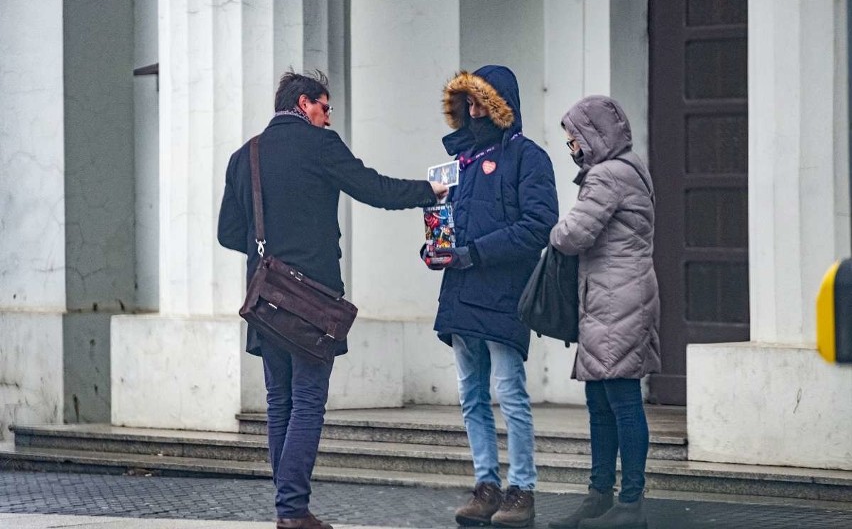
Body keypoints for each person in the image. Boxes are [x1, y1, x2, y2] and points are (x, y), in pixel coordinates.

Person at [217, 70, 448, 529]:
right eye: (325, 107)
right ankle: (292, 510)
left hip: (265, 299)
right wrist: (429, 192)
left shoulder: (247, 155)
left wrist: (271, 248)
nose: (328, 117)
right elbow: (374, 189)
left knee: (279, 400)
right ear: (304, 104)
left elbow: (228, 232)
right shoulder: (320, 145)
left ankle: (287, 507)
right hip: (314, 299)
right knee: (306, 400)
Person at [423, 65, 558, 528]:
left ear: (501, 105)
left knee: (510, 392)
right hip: (460, 292)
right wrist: (435, 247)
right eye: (469, 103)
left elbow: (538, 225)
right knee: (472, 396)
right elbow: (445, 221)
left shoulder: (528, 158)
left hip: (502, 293)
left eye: (481, 102)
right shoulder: (456, 162)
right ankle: (486, 485)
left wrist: (475, 253)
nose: (473, 111)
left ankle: (522, 487)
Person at [547, 96, 660, 529]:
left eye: (574, 138)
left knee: (621, 400)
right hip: (616, 295)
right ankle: (599, 497)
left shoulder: (607, 175)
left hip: (617, 298)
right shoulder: (631, 168)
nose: (571, 146)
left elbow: (574, 233)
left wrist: (554, 230)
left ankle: (629, 503)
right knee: (600, 399)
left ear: (592, 136)